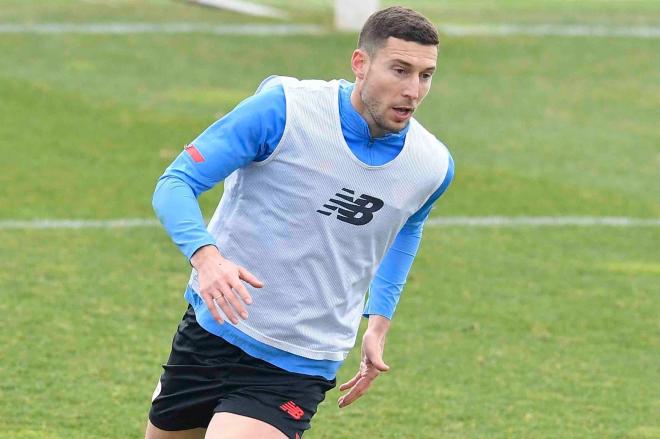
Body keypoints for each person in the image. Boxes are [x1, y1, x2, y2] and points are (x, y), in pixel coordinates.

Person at [146, 6, 454, 439]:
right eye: (400, 70)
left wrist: (379, 320)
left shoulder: (431, 165)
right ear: (360, 64)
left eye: (426, 75)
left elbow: (407, 225)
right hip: (211, 332)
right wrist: (208, 259)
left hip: (300, 360)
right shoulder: (284, 111)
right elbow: (176, 182)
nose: (413, 91)